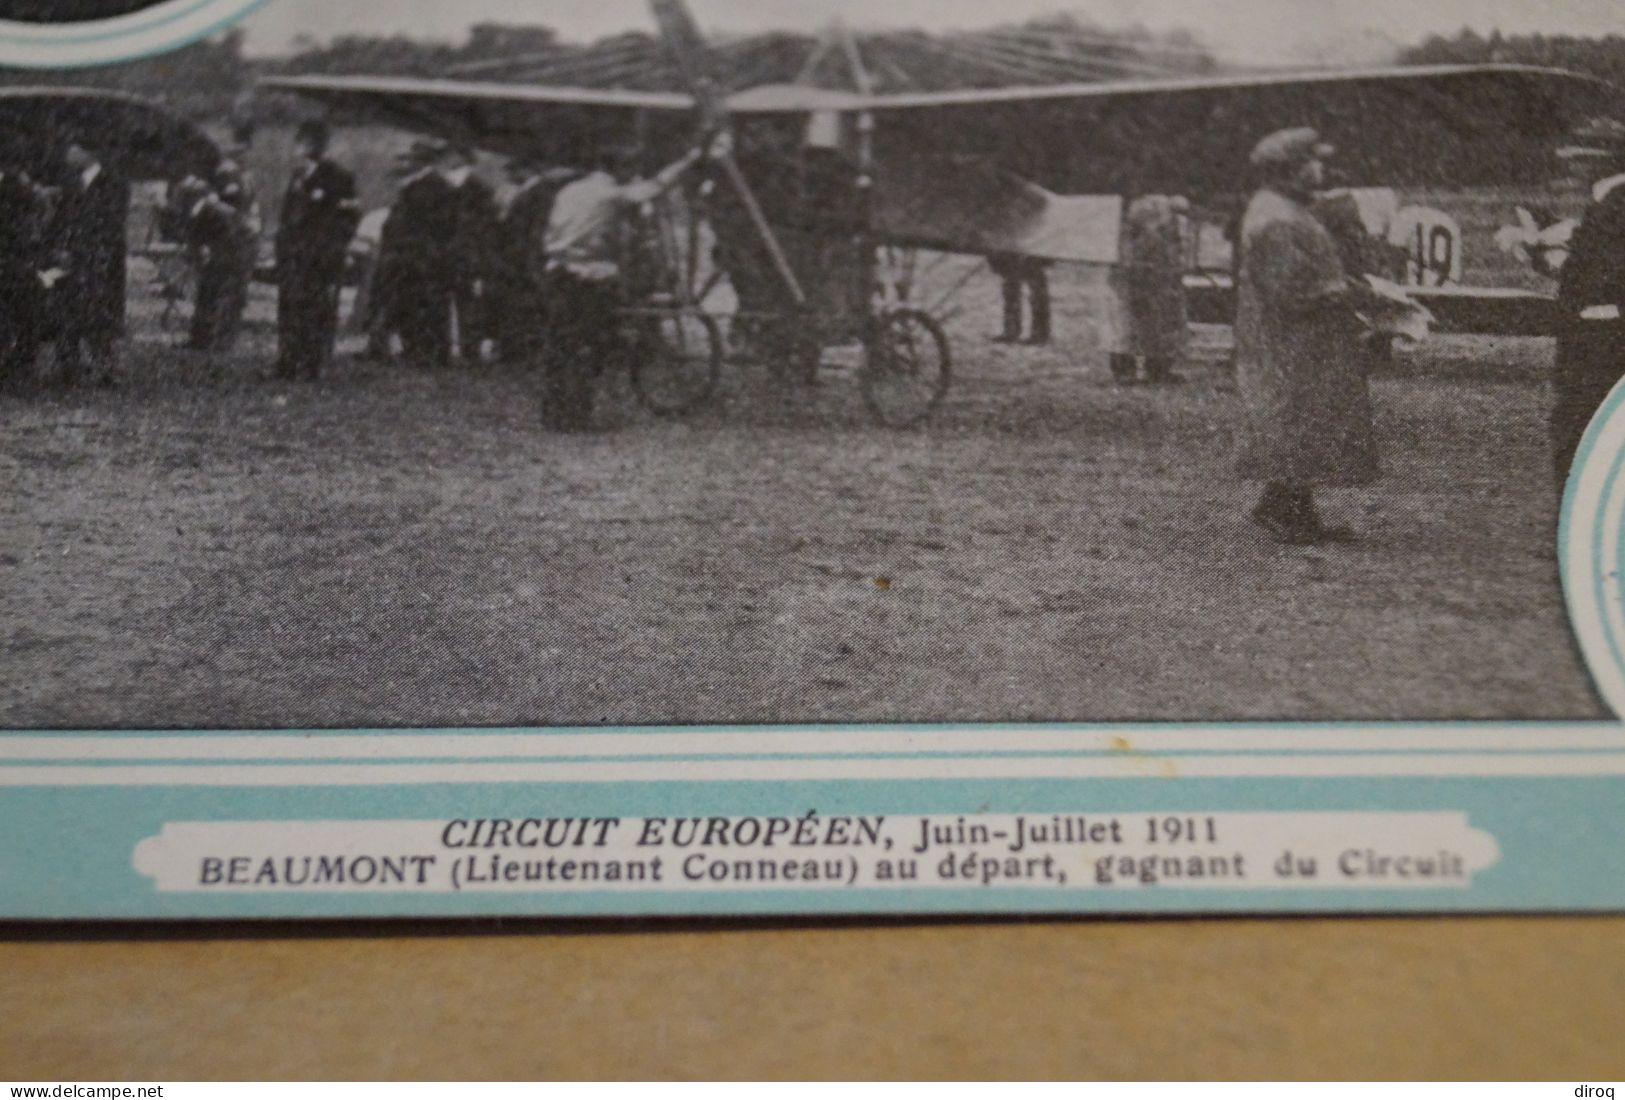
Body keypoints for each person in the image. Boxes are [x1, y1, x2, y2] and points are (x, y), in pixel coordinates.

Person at [1234, 128, 1383, 546]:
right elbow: (1291, 290)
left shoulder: (1286, 208)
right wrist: (1350, 293)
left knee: (1307, 419)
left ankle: (1290, 507)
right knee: (1296, 417)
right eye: (1311, 162)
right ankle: (1282, 510)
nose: (1320, 169)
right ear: (1289, 169)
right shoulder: (1276, 217)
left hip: (1305, 336)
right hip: (1291, 339)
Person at [539, 131, 728, 431]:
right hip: (587, 276)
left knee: (562, 346)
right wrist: (690, 158)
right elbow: (655, 188)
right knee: (585, 347)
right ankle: (574, 416)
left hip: (558, 271)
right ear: (620, 169)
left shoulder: (571, 190)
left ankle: (555, 414)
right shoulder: (608, 194)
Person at [1552, 122, 1625, 487]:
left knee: (1580, 431)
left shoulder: (1615, 203)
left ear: (1604, 161)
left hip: (1599, 340)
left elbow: (1605, 271)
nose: (1571, 166)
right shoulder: (1606, 201)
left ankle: (1576, 536)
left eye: (1580, 158)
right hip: (1599, 334)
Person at [274, 119, 360, 381]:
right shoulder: (297, 176)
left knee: (317, 309)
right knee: (289, 307)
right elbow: (289, 216)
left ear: (316, 145)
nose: (298, 147)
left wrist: (333, 247)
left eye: (303, 142)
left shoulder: (339, 177)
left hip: (320, 256)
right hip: (294, 255)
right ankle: (288, 362)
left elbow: (350, 216)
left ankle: (313, 365)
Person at [49, 141, 127, 386]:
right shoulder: (72, 184)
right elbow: (60, 220)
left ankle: (106, 368)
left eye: (74, 149)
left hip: (98, 260)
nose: (68, 153)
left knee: (97, 313)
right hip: (71, 259)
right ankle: (68, 367)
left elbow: (111, 225)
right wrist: (57, 248)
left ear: (89, 153)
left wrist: (92, 252)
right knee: (66, 312)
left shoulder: (114, 184)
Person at [378, 140, 457, 370]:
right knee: (417, 304)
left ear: (422, 160)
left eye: (412, 158)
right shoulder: (426, 185)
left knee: (426, 305)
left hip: (423, 257)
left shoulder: (431, 186)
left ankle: (427, 353)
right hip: (420, 256)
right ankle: (422, 352)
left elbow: (434, 225)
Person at [491, 158, 575, 365]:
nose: (510, 175)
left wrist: (528, 253)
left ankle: (531, 351)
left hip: (528, 255)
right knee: (524, 302)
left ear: (527, 169)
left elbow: (534, 228)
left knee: (532, 302)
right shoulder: (529, 192)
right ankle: (524, 350)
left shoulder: (539, 192)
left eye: (514, 170)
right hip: (521, 255)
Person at [1107, 194, 1190, 385]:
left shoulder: (1166, 209)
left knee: (1161, 315)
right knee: (1126, 315)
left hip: (1159, 264)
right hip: (1136, 260)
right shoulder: (1138, 209)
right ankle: (1124, 367)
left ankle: (1158, 367)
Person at [182, 162, 258, 354]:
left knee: (229, 295)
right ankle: (199, 339)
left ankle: (222, 344)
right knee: (206, 291)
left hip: (238, 252)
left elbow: (234, 236)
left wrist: (212, 255)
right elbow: (197, 235)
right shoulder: (199, 209)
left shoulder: (217, 211)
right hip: (223, 251)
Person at [444, 144, 501, 365]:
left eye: (452, 154)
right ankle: (463, 346)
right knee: (460, 299)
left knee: (469, 299)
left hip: (468, 253)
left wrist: (479, 254)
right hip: (455, 251)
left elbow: (485, 225)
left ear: (463, 157)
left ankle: (471, 348)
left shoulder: (477, 187)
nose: (448, 159)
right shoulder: (449, 185)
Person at [0, 163, 48, 384]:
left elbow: (26, 236)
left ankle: (20, 363)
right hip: (14, 265)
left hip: (14, 266)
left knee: (23, 301)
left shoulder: (15, 190)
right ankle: (20, 363)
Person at [989, 253, 1051, 346]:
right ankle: (1011, 331)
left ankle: (1040, 334)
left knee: (1036, 285)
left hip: (1033, 249)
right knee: (1010, 284)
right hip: (1011, 250)